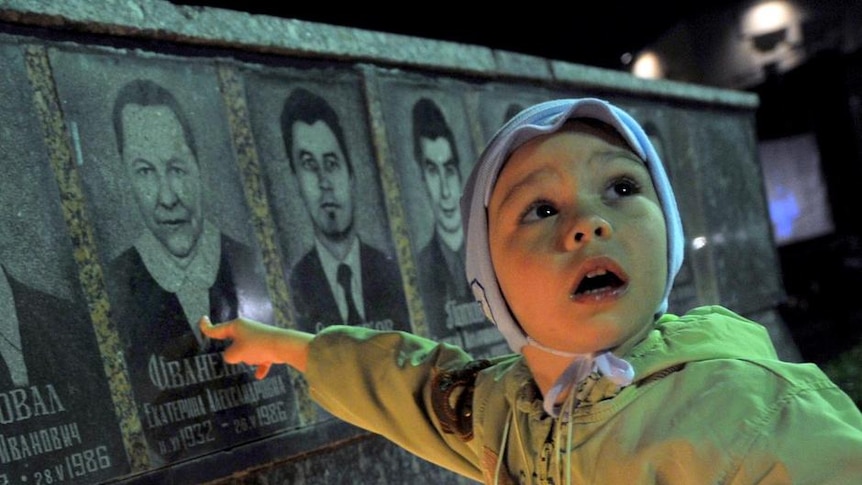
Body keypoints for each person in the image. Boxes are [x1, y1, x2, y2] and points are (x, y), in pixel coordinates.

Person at [200, 98, 862, 483]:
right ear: (491, 284)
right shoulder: (511, 411)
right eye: (541, 210)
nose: (588, 223)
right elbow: (416, 386)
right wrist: (291, 347)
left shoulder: (750, 410)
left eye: (623, 188)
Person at [106, 79, 282, 462]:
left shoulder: (252, 263)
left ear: (199, 166)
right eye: (145, 172)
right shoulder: (110, 285)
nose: (167, 197)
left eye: (177, 168)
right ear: (126, 180)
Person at [279, 87, 409, 333]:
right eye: (308, 165)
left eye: (331, 163)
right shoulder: (292, 286)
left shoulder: (393, 272)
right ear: (296, 179)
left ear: (350, 174)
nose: (324, 181)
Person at [410, 98, 487, 346]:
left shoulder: (489, 254)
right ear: (422, 178)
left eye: (450, 170)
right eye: (433, 171)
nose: (444, 190)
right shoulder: (419, 266)